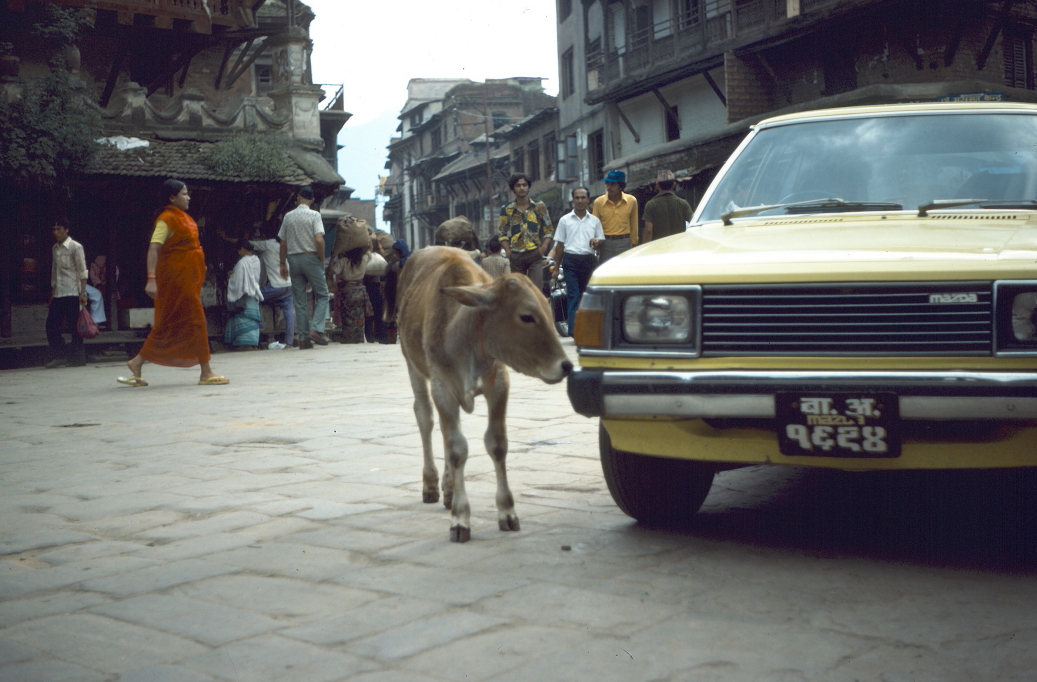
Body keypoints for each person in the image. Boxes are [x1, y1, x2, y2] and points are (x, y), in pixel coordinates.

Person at [118, 179, 228, 386]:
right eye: (184, 194)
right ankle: (206, 371)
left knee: (169, 322)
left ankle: (137, 361)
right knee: (196, 320)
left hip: (188, 279)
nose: (188, 197)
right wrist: (151, 279)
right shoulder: (166, 219)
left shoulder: (184, 218)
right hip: (175, 279)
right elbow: (153, 249)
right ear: (172, 198)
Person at [218, 224, 295, 347]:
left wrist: (226, 238)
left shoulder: (268, 244)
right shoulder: (286, 247)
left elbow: (246, 243)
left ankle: (260, 325)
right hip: (288, 286)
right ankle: (289, 342)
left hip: (276, 285)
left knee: (254, 296)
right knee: (289, 313)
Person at [278, 185, 329, 349]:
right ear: (312, 200)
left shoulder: (288, 216)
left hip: (293, 259)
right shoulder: (314, 215)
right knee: (322, 295)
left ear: (298, 198)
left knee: (299, 300)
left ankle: (303, 339)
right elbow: (319, 240)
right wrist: (321, 258)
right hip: (310, 257)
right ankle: (316, 329)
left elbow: (283, 243)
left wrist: (282, 264)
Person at [550, 187, 604, 337]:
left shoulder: (595, 221)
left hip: (589, 261)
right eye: (577, 198)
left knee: (589, 295)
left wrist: (596, 241)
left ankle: (590, 328)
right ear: (572, 200)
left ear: (588, 200)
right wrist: (555, 268)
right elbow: (559, 246)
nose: (580, 201)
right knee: (573, 295)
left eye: (583, 197)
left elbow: (600, 240)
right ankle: (574, 331)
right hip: (570, 261)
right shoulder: (564, 221)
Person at [45, 217, 88, 368]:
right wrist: (52, 293)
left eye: (59, 229)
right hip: (58, 293)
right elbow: (54, 272)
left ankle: (77, 359)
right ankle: (60, 355)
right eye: (54, 229)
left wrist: (83, 292)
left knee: (74, 326)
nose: (55, 232)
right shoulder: (55, 249)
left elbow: (82, 270)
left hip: (72, 292)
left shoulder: (75, 247)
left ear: (66, 230)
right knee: (51, 325)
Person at [497, 173, 553, 290]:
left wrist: (543, 248)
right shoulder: (507, 209)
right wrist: (508, 251)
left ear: (528, 187)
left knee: (536, 289)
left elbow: (548, 229)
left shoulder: (539, 206)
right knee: (518, 291)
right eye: (518, 185)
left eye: (524, 185)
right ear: (513, 189)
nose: (522, 188)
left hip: (535, 254)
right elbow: (502, 232)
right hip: (516, 255)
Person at [224, 239, 264, 350]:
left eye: (238, 250)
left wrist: (231, 276)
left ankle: (243, 344)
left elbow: (238, 282)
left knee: (242, 319)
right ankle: (252, 343)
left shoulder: (241, 263)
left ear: (242, 249)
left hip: (244, 298)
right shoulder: (256, 260)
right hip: (253, 296)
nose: (238, 252)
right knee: (252, 322)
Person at [592, 169, 638, 265]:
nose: (609, 187)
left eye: (613, 184)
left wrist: (634, 243)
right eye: (607, 184)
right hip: (605, 243)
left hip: (625, 242)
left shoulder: (631, 200)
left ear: (620, 186)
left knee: (625, 271)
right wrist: (596, 241)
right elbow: (594, 225)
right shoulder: (598, 202)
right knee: (606, 271)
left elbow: (634, 223)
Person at [330, 242, 372, 344]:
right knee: (360, 316)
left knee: (348, 317)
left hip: (348, 292)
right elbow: (369, 251)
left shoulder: (344, 261)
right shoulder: (364, 259)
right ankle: (359, 338)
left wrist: (333, 257)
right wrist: (368, 243)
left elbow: (333, 271)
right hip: (361, 291)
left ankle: (349, 339)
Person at [642, 169, 693, 242]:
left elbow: (648, 230)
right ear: (674, 185)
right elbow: (693, 223)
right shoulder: (683, 203)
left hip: (659, 248)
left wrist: (645, 249)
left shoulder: (651, 205)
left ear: (657, 185)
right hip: (679, 246)